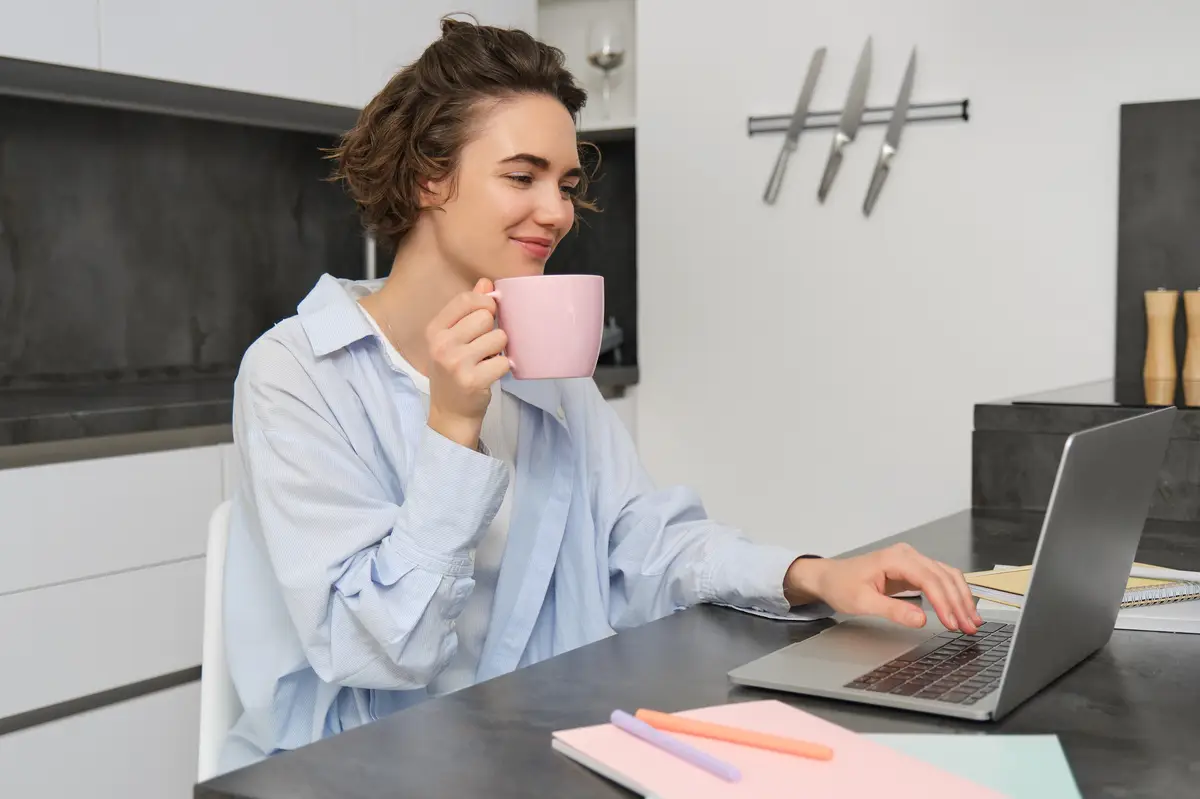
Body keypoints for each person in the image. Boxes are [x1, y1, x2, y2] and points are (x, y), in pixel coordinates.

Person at [218, 17, 982, 773]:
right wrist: (452, 426)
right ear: (430, 178)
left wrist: (810, 573)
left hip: (537, 743)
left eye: (565, 184)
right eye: (522, 176)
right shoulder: (297, 374)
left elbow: (644, 540)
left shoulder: (543, 361)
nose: (556, 211)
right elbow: (381, 649)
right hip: (357, 770)